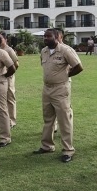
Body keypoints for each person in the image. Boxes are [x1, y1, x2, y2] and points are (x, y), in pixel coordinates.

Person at [33, 28, 83, 163]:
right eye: (44, 36)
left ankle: (68, 150)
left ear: (57, 37)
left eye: (48, 36)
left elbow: (78, 66)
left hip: (61, 89)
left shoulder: (66, 50)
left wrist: (66, 75)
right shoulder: (43, 51)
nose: (45, 39)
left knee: (64, 120)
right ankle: (47, 146)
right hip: (47, 89)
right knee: (48, 119)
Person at [0, 32, 20, 127]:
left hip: (8, 77)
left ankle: (12, 120)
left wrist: (8, 74)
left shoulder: (9, 50)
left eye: (0, 39)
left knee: (10, 98)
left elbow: (16, 64)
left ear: (5, 39)